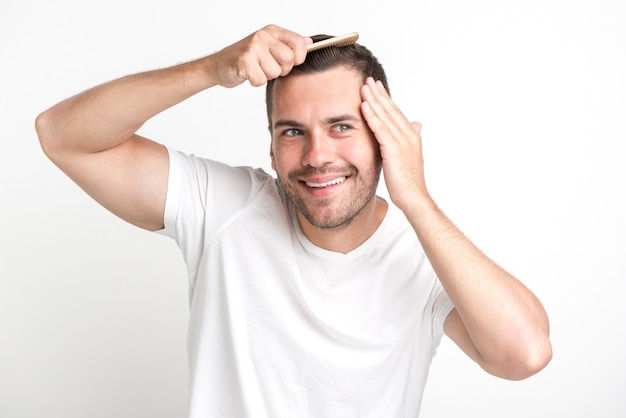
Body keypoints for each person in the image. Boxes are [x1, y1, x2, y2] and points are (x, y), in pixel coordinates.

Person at [35, 24, 552, 417]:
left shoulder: (426, 252)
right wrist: (211, 69)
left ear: (384, 134)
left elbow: (524, 354)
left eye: (342, 126)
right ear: (271, 144)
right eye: (292, 132)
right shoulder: (225, 207)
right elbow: (62, 135)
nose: (317, 155)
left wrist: (414, 196)